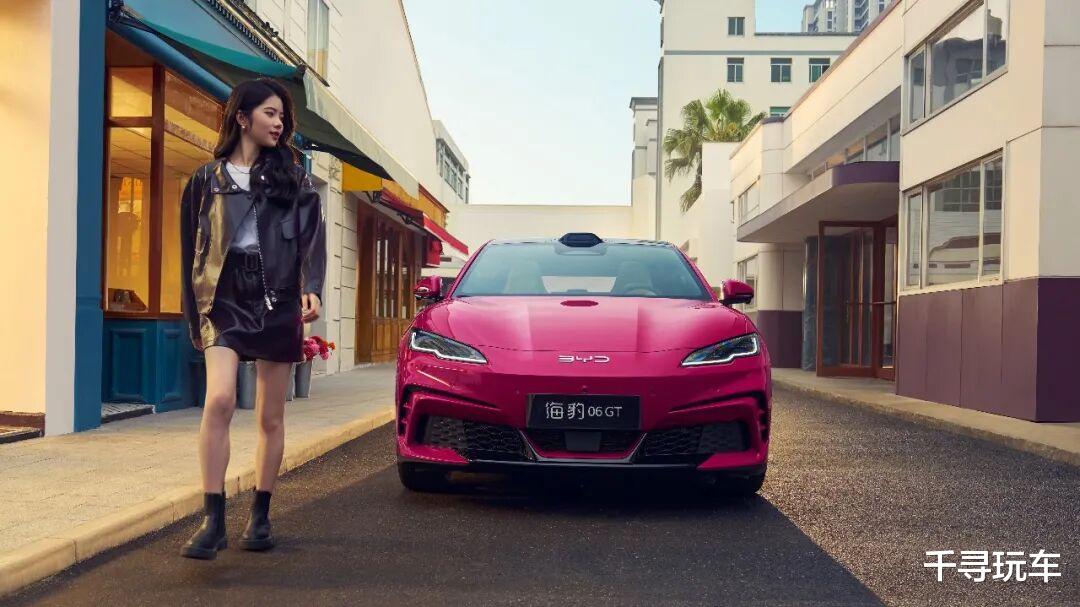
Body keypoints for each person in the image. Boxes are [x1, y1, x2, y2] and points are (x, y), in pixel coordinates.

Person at [179, 78, 326, 560]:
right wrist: (194, 314)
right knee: (219, 399)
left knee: (269, 415)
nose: (279, 123)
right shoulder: (206, 180)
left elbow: (312, 239)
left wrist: (311, 286)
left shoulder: (295, 180)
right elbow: (189, 252)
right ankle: (212, 519)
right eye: (269, 113)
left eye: (282, 116)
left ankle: (260, 515)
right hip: (223, 298)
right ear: (242, 117)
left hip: (277, 300)